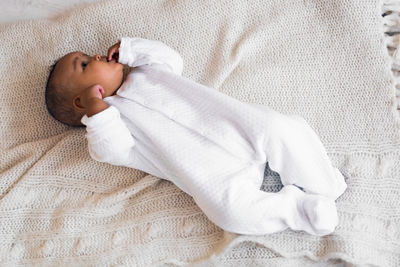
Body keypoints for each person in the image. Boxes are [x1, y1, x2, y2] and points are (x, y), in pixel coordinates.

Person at [45, 37, 347, 236]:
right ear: (81, 101)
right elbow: (112, 149)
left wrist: (131, 49)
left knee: (280, 128)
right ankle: (298, 210)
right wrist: (98, 115)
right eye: (84, 64)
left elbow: (172, 59)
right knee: (230, 214)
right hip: (213, 174)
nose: (96, 54)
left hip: (235, 126)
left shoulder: (146, 72)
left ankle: (323, 182)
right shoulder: (113, 127)